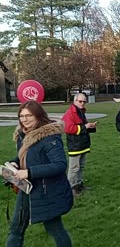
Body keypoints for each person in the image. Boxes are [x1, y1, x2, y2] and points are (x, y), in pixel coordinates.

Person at [6, 100, 73, 246]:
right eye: (22, 116)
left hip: (47, 191)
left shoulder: (49, 137)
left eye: (29, 116)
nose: (24, 119)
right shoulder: (22, 134)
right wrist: (14, 163)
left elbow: (60, 165)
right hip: (26, 189)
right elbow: (25, 156)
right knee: (16, 229)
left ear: (38, 116)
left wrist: (28, 172)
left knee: (54, 228)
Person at [62, 93, 97, 197]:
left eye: (84, 102)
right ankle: (71, 188)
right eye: (80, 101)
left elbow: (82, 126)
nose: (82, 103)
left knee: (80, 166)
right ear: (75, 101)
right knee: (74, 168)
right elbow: (67, 128)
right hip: (75, 145)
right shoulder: (70, 113)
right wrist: (85, 127)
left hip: (82, 144)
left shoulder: (80, 111)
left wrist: (90, 126)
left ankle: (79, 185)